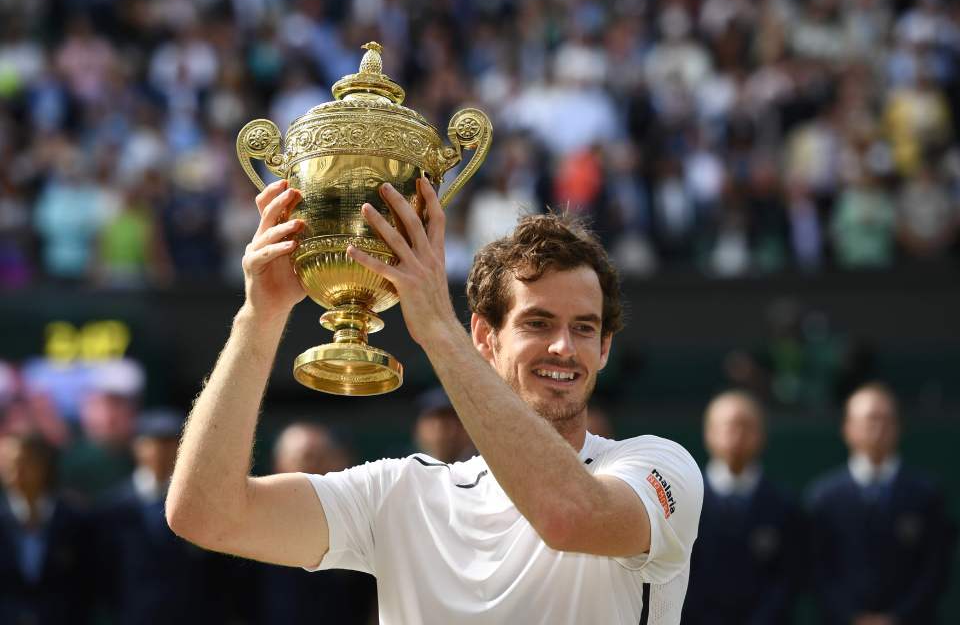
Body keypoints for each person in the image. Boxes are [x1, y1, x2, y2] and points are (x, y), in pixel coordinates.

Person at [166, 178, 704, 624]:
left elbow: (568, 516)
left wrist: (437, 330)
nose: (564, 346)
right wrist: (260, 317)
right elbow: (205, 514)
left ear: (605, 347)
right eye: (537, 323)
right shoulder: (400, 494)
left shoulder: (657, 466)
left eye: (584, 329)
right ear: (486, 337)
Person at [806, 383, 956, 625]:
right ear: (848, 428)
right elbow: (817, 570)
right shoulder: (823, 496)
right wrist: (851, 617)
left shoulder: (927, 494)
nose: (878, 427)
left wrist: (897, 618)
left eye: (886, 419)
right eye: (869, 419)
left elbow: (935, 569)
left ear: (898, 428)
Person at [96, 409, 239, 625]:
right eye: (154, 443)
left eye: (170, 443)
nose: (161, 451)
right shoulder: (113, 508)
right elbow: (104, 574)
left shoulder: (202, 502)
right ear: (137, 448)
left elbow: (220, 573)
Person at [682, 391, 805, 625]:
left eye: (746, 426)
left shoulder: (784, 505)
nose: (737, 434)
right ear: (709, 433)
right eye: (729, 426)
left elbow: (789, 580)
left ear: (761, 435)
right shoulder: (684, 503)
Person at [252, 422, 377, 625]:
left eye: (324, 457)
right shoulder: (255, 530)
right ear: (280, 466)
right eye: (307, 457)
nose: (318, 466)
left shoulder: (360, 525)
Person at [0, 432, 95, 624]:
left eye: (22, 461)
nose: (14, 470)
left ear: (44, 465)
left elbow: (87, 585)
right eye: (6, 463)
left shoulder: (74, 520)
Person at [413, 387, 475, 463]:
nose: (440, 427)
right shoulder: (405, 469)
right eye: (432, 418)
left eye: (450, 418)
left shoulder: (486, 466)